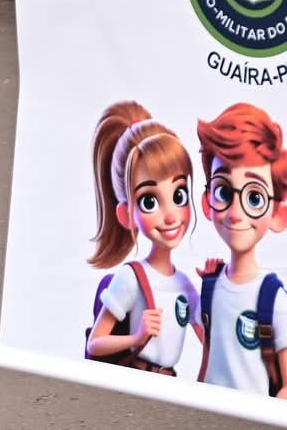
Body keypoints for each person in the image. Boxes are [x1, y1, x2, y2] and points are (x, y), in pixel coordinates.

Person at [191, 104, 287, 400]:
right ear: (207, 201)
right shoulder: (210, 289)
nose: (236, 213)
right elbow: (207, 361)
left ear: (278, 214)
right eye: (224, 193)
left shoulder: (274, 301)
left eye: (254, 197)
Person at [84, 101, 203, 374]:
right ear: (126, 214)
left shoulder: (186, 286)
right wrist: (137, 337)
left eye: (178, 195)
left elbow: (211, 342)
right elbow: (96, 343)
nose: (170, 216)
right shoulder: (131, 278)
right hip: (136, 381)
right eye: (149, 201)